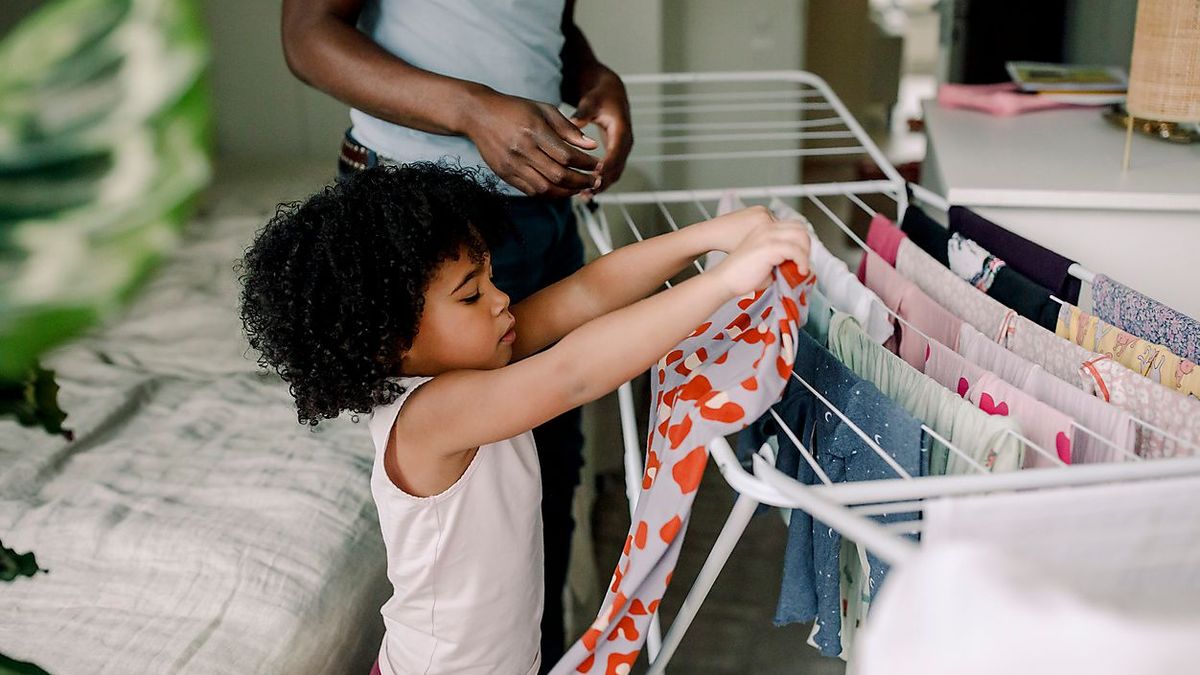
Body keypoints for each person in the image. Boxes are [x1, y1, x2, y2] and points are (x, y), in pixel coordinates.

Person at [237, 163, 810, 674]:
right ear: (390, 339)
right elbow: (572, 373)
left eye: (490, 277)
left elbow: (587, 292)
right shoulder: (428, 416)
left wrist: (708, 238)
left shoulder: (482, 356)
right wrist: (722, 283)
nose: (500, 300)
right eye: (470, 296)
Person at [279, 2, 632, 660]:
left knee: (546, 472)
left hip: (540, 207)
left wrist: (594, 81)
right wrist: (472, 108)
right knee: (486, 481)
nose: (498, 303)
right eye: (480, 294)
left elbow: (542, 24)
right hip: (422, 220)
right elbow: (307, 36)